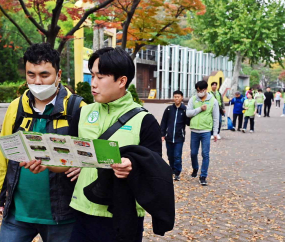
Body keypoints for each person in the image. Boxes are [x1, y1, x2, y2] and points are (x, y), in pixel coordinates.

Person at [21, 47, 165, 242]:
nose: (93, 83)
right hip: (82, 214)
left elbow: (155, 169)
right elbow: (68, 161)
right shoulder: (84, 113)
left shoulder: (145, 121)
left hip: (122, 216)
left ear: (122, 81)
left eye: (100, 77)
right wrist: (46, 163)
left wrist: (132, 167)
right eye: (92, 76)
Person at [0, 43, 86, 242]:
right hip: (18, 213)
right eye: (31, 74)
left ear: (58, 74)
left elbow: (90, 155)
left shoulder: (77, 108)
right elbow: (4, 156)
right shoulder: (16, 107)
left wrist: (81, 166)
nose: (37, 81)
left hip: (62, 215)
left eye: (44, 75)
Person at [186, 80, 219, 186]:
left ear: (205, 90)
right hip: (194, 130)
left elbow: (216, 118)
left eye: (200, 90)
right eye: (197, 90)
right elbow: (188, 113)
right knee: (193, 153)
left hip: (206, 131)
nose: (198, 92)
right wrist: (199, 109)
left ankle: (203, 176)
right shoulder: (193, 99)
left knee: (205, 154)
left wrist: (215, 133)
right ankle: (195, 168)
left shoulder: (213, 101)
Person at [161, 90, 190, 181]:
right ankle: (172, 170)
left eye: (178, 97)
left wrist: (191, 115)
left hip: (179, 137)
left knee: (177, 156)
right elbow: (163, 122)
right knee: (170, 155)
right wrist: (162, 134)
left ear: (182, 98)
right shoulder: (169, 109)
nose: (176, 98)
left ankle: (177, 172)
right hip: (169, 137)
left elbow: (188, 123)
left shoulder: (185, 109)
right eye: (175, 97)